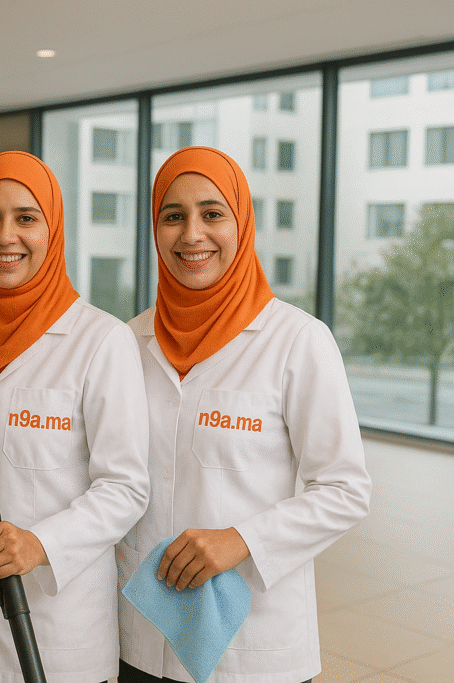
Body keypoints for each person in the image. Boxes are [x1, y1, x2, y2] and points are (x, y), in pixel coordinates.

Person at [116, 146, 372, 683]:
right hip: (142, 637)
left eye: (212, 213)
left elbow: (345, 489)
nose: (192, 234)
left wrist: (242, 539)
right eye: (173, 215)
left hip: (253, 646)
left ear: (242, 223)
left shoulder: (297, 340)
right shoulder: (128, 342)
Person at [0, 151, 150, 683]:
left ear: (53, 230)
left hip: (55, 634)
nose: (6, 236)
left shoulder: (101, 340)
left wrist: (41, 543)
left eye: (26, 218)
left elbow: (125, 487)